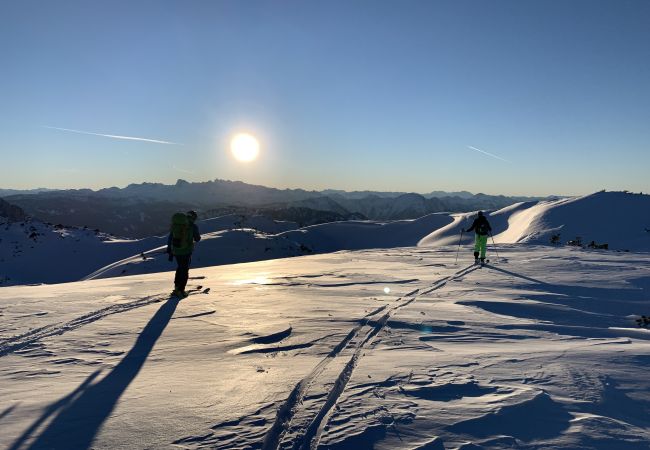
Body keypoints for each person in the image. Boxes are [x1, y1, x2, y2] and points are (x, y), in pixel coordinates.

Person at [167, 210, 201, 297]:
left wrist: (169, 248)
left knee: (180, 268)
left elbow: (171, 237)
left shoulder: (177, 224)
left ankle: (176, 287)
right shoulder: (193, 226)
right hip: (186, 251)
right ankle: (181, 291)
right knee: (184, 270)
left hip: (176, 251)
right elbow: (197, 239)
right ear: (194, 218)